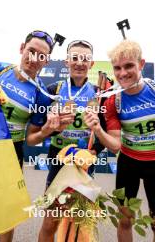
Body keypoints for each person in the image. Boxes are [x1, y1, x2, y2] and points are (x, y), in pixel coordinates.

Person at [26, 40, 107, 242]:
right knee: (50, 221)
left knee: (79, 222)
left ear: (92, 63)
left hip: (85, 162)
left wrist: (94, 151)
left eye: (85, 58)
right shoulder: (54, 90)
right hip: (58, 160)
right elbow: (39, 131)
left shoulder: (100, 94)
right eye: (75, 58)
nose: (79, 62)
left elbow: (104, 132)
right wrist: (53, 127)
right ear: (66, 62)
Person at [0, 30, 63, 242]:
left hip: (11, 153)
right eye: (31, 51)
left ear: (46, 61)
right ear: (22, 48)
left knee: (7, 215)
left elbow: (32, 138)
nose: (34, 59)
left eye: (41, 56)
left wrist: (47, 131)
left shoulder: (41, 94)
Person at [84, 40, 155, 242]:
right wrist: (97, 129)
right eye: (117, 68)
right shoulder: (113, 100)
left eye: (129, 66)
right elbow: (115, 145)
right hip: (129, 164)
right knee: (124, 220)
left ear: (141, 64)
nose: (122, 73)